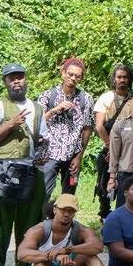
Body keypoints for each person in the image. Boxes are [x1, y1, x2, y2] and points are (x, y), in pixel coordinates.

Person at [0, 63, 45, 266]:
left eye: (20, 77)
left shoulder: (37, 108)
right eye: (11, 78)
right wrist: (11, 125)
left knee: (30, 219)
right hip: (3, 168)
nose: (17, 81)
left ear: (26, 80)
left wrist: (42, 147)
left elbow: (41, 137)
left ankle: (24, 260)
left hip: (29, 168)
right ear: (5, 82)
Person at [18, 194, 119, 266]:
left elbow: (98, 246)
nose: (66, 214)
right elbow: (22, 253)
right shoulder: (38, 230)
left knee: (88, 254)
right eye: (63, 210)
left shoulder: (80, 229)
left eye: (71, 211)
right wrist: (53, 256)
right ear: (55, 209)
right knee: (41, 261)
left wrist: (68, 250)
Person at [36, 57, 94, 199]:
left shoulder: (86, 99)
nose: (73, 78)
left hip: (72, 155)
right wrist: (54, 110)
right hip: (48, 154)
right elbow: (36, 123)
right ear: (63, 73)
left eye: (77, 76)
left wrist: (79, 156)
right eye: (70, 74)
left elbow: (87, 128)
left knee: (68, 198)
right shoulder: (47, 96)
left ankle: (63, 221)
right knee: (42, 194)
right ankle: (41, 221)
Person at [93, 63, 133, 221]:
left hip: (128, 150)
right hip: (108, 147)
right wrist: (110, 147)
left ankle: (125, 216)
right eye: (119, 77)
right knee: (105, 184)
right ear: (114, 79)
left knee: (126, 184)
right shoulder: (106, 97)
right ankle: (105, 215)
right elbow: (99, 126)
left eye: (125, 77)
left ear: (129, 80)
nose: (122, 80)